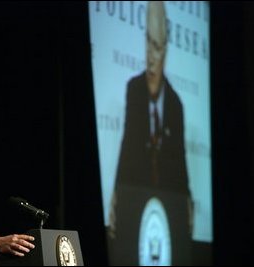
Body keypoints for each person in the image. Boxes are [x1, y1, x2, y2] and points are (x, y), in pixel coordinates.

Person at [108, 1, 193, 265]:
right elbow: (127, 142)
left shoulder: (177, 104)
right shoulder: (134, 88)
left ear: (166, 48)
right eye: (148, 42)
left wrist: (187, 200)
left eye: (157, 46)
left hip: (169, 199)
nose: (151, 54)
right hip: (136, 195)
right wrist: (116, 193)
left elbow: (180, 158)